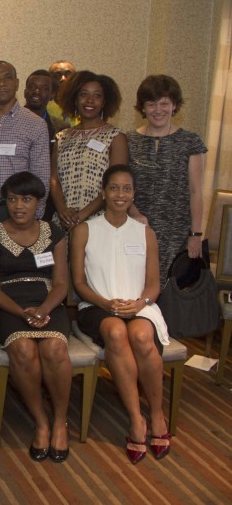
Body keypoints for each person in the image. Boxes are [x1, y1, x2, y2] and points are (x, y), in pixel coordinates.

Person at [71, 164, 171, 464]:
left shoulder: (145, 232)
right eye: (114, 188)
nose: (120, 194)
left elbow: (154, 284)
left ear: (133, 194)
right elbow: (78, 282)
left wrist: (141, 303)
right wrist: (106, 303)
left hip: (141, 307)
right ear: (103, 192)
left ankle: (156, 413)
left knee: (141, 334)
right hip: (96, 307)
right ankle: (136, 419)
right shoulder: (85, 229)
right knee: (115, 331)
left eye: (126, 189)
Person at [0, 171, 71, 462]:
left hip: (48, 302)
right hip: (9, 306)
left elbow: (61, 284)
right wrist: (22, 313)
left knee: (54, 347)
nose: (19, 206)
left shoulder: (54, 233)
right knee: (22, 349)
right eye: (12, 199)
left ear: (39, 202)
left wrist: (44, 310)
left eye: (27, 199)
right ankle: (41, 421)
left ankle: (59, 421)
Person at [127, 75, 207, 277]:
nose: (158, 110)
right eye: (151, 104)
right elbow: (121, 187)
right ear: (142, 108)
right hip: (136, 228)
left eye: (164, 103)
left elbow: (196, 191)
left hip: (176, 232)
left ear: (174, 106)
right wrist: (134, 212)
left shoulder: (190, 141)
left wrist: (196, 234)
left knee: (171, 292)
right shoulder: (128, 140)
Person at [0, 60, 50, 250]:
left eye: (7, 78)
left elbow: (41, 176)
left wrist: (35, 216)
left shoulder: (35, 124)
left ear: (17, 83)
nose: (1, 84)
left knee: (12, 267)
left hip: (18, 210)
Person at [51, 70, 128, 231]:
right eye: (83, 94)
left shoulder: (115, 136)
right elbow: (54, 179)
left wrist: (82, 215)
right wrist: (63, 212)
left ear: (105, 101)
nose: (90, 100)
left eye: (97, 96)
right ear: (75, 98)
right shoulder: (62, 137)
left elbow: (115, 184)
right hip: (64, 221)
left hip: (99, 221)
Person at [24, 69, 70, 222]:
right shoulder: (10, 123)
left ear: (51, 95)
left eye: (44, 88)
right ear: (24, 91)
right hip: (17, 199)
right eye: (32, 86)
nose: (37, 91)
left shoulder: (62, 128)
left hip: (48, 201)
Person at [47, 60, 77, 126]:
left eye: (68, 74)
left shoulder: (84, 108)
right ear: (50, 79)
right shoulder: (44, 109)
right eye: (58, 75)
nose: (63, 79)